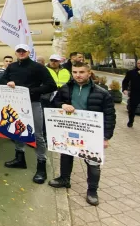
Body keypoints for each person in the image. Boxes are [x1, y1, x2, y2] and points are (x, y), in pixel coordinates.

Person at [49, 62, 116, 206]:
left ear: (89, 73)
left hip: (91, 133)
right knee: (66, 155)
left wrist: (106, 137)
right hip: (71, 129)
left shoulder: (102, 93)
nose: (78, 75)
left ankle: (92, 191)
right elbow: (54, 102)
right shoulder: (66, 88)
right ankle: (64, 179)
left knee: (93, 162)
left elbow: (110, 116)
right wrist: (62, 105)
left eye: (81, 72)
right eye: (75, 72)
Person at [0, 44, 57, 184]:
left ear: (28, 52)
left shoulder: (38, 67)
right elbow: (2, 80)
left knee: (38, 134)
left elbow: (51, 85)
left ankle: (41, 165)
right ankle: (20, 158)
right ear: (16, 52)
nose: (20, 53)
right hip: (16, 104)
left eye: (23, 51)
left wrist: (31, 90)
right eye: (18, 51)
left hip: (33, 103)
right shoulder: (12, 66)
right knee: (17, 130)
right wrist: (8, 82)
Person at [122, 59, 140, 128]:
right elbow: (125, 81)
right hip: (134, 93)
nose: (139, 65)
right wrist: (125, 89)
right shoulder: (131, 72)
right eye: (138, 63)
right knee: (132, 109)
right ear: (136, 64)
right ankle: (131, 121)